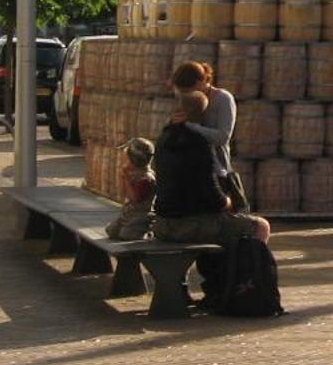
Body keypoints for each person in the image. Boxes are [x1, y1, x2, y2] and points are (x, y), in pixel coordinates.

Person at [150, 91, 270, 245]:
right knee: (260, 226)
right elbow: (211, 194)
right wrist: (227, 202)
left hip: (162, 224)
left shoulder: (162, 140)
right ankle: (250, 268)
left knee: (223, 223)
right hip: (190, 226)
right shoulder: (200, 144)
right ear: (203, 114)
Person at [170, 58, 243, 208]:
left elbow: (222, 137)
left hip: (217, 171)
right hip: (190, 169)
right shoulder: (188, 98)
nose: (185, 94)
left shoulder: (223, 99)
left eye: (187, 90)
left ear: (200, 82)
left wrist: (190, 126)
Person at [107, 137, 157, 241]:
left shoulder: (146, 178)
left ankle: (148, 233)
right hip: (130, 213)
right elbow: (125, 195)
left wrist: (126, 178)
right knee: (111, 231)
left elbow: (135, 198)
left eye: (127, 159)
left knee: (127, 235)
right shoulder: (135, 174)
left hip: (142, 215)